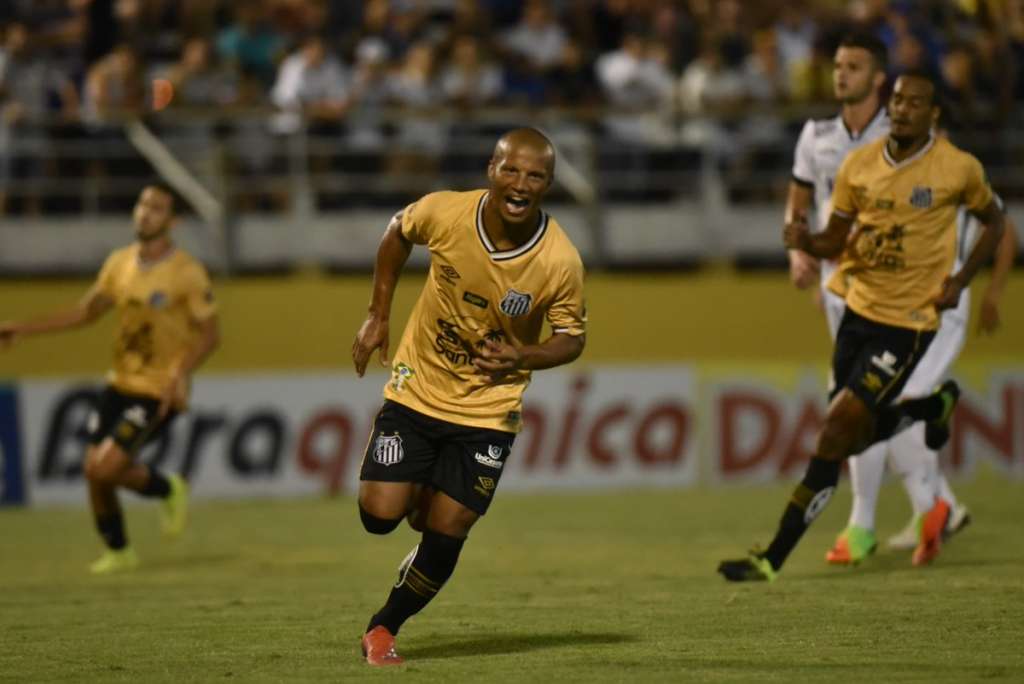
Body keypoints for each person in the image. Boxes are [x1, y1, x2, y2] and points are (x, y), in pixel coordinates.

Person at [718, 70, 1005, 582]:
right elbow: (835, 241)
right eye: (896, 100)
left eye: (915, 103)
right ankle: (930, 408)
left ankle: (772, 558)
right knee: (851, 435)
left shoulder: (957, 168)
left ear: (933, 114)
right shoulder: (859, 166)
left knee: (833, 434)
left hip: (909, 324)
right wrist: (804, 240)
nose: (901, 109)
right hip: (855, 313)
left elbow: (996, 222)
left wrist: (961, 281)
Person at [350, 128, 586, 665]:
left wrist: (522, 357)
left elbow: (573, 338)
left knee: (450, 526)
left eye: (536, 176)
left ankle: (384, 627)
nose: (521, 184)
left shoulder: (559, 260)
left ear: (548, 184)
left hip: (487, 411)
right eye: (512, 170)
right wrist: (378, 313)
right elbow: (396, 233)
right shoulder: (447, 212)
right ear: (491, 169)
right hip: (417, 390)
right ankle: (419, 490)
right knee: (378, 514)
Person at [785, 32, 977, 566]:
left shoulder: (906, 139)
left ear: (879, 78)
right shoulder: (817, 135)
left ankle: (896, 516)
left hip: (896, 293)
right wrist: (798, 253)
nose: (841, 73)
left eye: (854, 65)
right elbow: (801, 199)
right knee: (857, 403)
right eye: (838, 64)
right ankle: (925, 508)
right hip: (844, 291)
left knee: (864, 402)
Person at [0, 185, 220, 574]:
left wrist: (178, 372)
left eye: (157, 208)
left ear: (173, 221)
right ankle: (119, 550)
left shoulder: (186, 271)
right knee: (93, 471)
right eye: (143, 204)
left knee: (104, 468)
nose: (146, 213)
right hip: (119, 382)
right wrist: (24, 329)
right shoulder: (118, 263)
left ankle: (168, 488)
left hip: (158, 389)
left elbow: (210, 335)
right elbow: (85, 313)